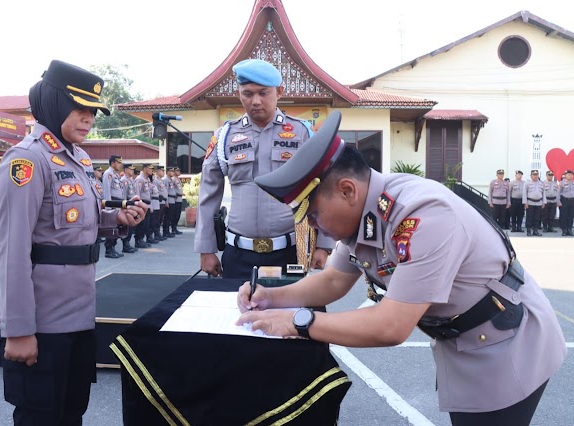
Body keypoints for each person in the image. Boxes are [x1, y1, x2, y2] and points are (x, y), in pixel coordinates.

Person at [236, 111, 566, 426]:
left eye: (313, 213)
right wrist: (271, 297)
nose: (312, 224)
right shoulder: (366, 213)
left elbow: (391, 326)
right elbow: (334, 280)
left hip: (507, 346)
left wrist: (299, 321)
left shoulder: (422, 215)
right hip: (464, 341)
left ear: (347, 190)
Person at [0, 59, 148, 425]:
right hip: (42, 322)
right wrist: (19, 330)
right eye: (79, 108)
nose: (88, 118)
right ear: (55, 103)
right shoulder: (28, 161)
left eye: (92, 111)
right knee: (40, 415)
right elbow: (13, 251)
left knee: (71, 411)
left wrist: (116, 219)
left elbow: (73, 225)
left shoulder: (78, 159)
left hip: (79, 315)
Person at [195, 58, 332, 279]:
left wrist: (324, 244)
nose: (255, 101)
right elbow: (208, 195)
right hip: (238, 254)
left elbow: (323, 189)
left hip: (290, 253)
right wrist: (206, 249)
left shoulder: (303, 133)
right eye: (248, 94)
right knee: (237, 312)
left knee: (294, 313)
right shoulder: (224, 136)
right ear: (239, 93)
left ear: (279, 92)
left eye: (263, 92)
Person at [102, 155, 125, 258]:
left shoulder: (115, 175)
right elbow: (106, 191)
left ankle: (113, 248)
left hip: (118, 203)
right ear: (113, 163)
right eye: (118, 162)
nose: (120, 164)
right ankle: (109, 249)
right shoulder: (108, 174)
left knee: (116, 227)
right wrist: (108, 207)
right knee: (111, 227)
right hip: (112, 203)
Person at [134, 164, 154, 248]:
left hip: (147, 205)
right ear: (145, 169)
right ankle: (138, 241)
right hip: (142, 205)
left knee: (146, 224)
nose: (152, 170)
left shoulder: (147, 179)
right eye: (150, 169)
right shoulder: (139, 179)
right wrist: (138, 205)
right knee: (141, 224)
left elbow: (148, 193)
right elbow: (137, 193)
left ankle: (142, 239)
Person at [120, 165, 138, 253]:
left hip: (132, 206)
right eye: (131, 169)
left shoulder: (130, 180)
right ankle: (125, 245)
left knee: (131, 226)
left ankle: (128, 244)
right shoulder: (124, 180)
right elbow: (123, 196)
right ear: (126, 170)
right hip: (127, 206)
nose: (132, 171)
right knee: (127, 226)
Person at [522, 169, 545, 236]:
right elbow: (524, 193)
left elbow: (544, 193)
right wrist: (525, 202)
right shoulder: (527, 183)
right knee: (529, 217)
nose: (535, 176)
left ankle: (535, 230)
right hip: (530, 202)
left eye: (536, 175)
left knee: (537, 218)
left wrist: (544, 202)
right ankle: (529, 230)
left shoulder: (541, 183)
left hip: (539, 203)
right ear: (531, 176)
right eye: (534, 175)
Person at [558, 169, 574, 236]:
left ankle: (569, 229)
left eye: (571, 175)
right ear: (565, 175)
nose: (570, 176)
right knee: (564, 215)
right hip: (564, 200)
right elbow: (558, 193)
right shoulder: (562, 183)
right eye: (569, 175)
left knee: (571, 215)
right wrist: (558, 201)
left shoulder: (573, 182)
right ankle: (564, 230)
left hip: (572, 200)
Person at [172, 166, 184, 235]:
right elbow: (172, 189)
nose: (179, 172)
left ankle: (175, 227)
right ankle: (173, 228)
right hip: (175, 199)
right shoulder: (173, 179)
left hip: (179, 199)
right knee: (175, 215)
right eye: (177, 170)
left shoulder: (178, 179)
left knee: (178, 214)